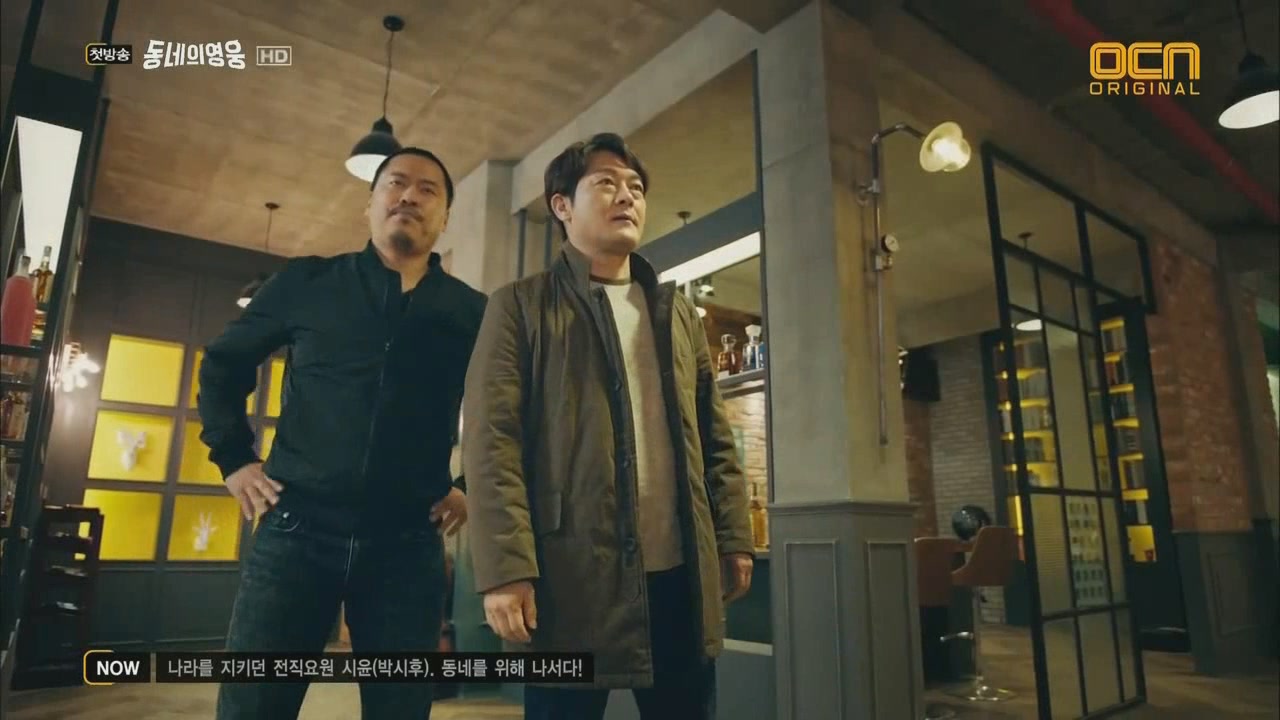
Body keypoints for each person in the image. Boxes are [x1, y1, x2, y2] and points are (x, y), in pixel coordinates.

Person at [462, 132, 755, 720]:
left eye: (636, 187)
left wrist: (733, 536)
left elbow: (715, 439)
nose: (627, 196)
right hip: (568, 578)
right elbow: (492, 444)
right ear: (561, 206)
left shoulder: (676, 314)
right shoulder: (520, 305)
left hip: (679, 578)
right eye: (605, 184)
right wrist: (505, 570)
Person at [197, 147, 485, 720]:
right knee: (253, 707)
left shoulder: (471, 311)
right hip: (295, 532)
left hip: (407, 544)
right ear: (369, 204)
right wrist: (232, 457)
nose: (409, 195)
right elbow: (224, 364)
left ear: (446, 217)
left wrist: (468, 484)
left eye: (428, 189)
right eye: (395, 183)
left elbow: (504, 411)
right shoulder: (309, 281)